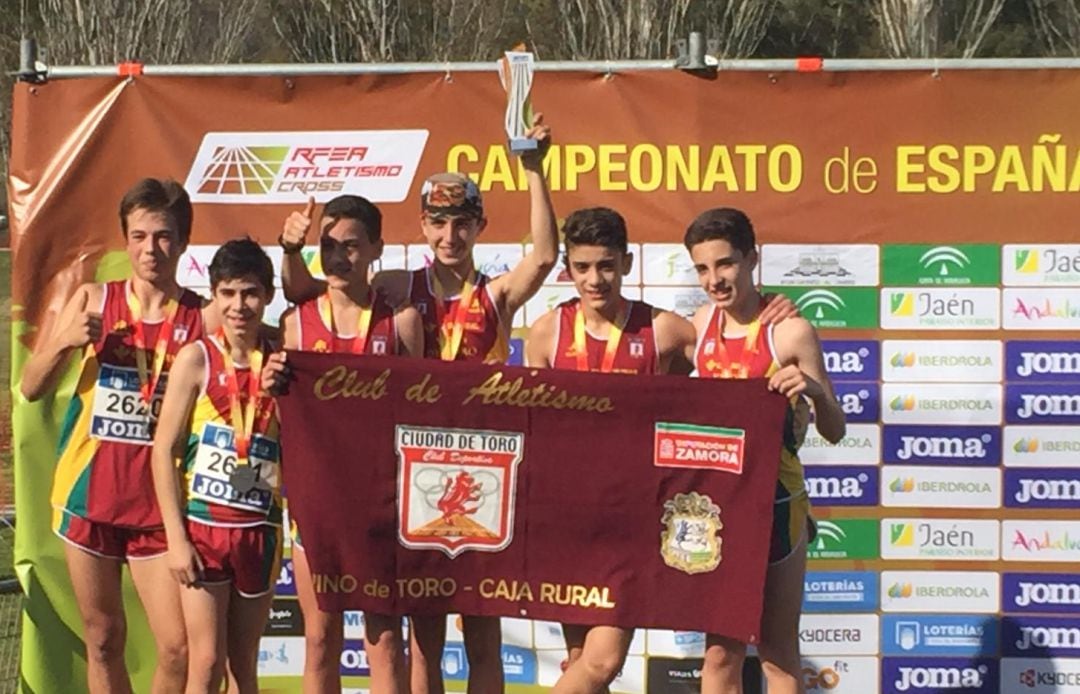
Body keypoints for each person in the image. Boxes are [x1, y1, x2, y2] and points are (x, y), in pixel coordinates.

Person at [280, 115, 558, 694]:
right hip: (420, 474)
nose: (449, 236)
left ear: (479, 225)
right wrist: (291, 251)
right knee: (424, 636)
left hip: (484, 471)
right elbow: (312, 292)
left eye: (460, 223)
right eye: (437, 223)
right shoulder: (399, 288)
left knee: (483, 633)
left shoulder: (496, 294)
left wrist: (533, 170)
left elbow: (545, 256)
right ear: (422, 228)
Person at [21, 179, 207, 694]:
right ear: (126, 239)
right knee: (104, 639)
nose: (151, 249)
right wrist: (64, 340)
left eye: (164, 236)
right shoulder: (93, 299)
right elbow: (32, 388)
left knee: (178, 647)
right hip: (89, 495)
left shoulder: (203, 316)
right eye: (140, 236)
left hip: (159, 506)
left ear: (183, 241)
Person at [525, 207, 697, 693]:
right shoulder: (546, 332)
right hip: (567, 518)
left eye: (606, 265)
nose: (594, 279)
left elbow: (727, 359)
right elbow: (532, 426)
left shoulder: (662, 329)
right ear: (568, 269)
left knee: (602, 662)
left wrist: (768, 310)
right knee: (579, 661)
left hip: (633, 521)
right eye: (582, 267)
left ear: (627, 262)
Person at [684, 208, 846, 694]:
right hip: (720, 511)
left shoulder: (790, 331)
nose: (715, 280)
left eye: (726, 264)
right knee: (719, 656)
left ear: (753, 258)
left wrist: (815, 393)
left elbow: (835, 429)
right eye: (702, 269)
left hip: (779, 505)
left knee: (777, 652)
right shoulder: (699, 324)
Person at [270, 194, 424, 694]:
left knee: (383, 641)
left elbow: (416, 412)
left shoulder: (400, 321)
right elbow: (282, 416)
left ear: (377, 249)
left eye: (352, 247)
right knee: (320, 638)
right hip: (315, 506)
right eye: (329, 246)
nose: (339, 258)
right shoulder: (294, 324)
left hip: (380, 504)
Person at [150, 238, 282, 694]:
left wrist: (284, 394)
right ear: (214, 296)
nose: (239, 305)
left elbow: (302, 447)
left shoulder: (284, 360)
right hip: (204, 529)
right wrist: (175, 537)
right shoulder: (196, 358)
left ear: (267, 295)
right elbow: (163, 449)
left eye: (249, 293)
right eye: (227, 293)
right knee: (205, 663)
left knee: (244, 665)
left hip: (258, 530)